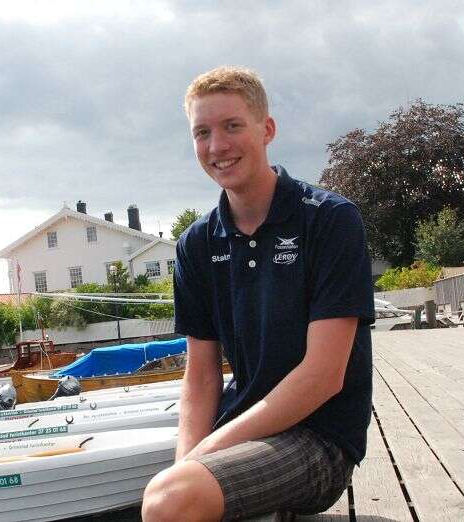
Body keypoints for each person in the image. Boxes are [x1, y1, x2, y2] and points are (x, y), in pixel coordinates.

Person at [141, 66, 375, 521]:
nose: (216, 146)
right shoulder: (196, 244)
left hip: (318, 439)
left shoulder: (329, 220)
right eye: (202, 132)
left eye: (232, 126)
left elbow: (323, 376)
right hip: (242, 425)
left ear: (266, 130)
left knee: (171, 499)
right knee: (171, 489)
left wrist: (198, 460)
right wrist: (187, 461)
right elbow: (201, 378)